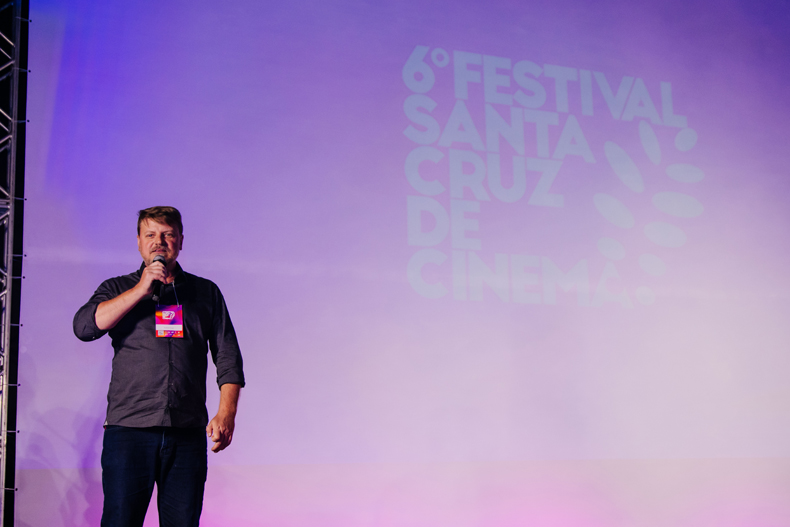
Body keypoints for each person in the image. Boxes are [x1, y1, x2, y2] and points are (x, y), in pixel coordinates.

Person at [73, 206, 245, 527]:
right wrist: (141, 289)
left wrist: (226, 413)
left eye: (167, 234)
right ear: (139, 242)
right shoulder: (118, 288)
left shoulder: (205, 292)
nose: (159, 242)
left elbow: (228, 357)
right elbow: (85, 327)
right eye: (150, 234)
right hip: (129, 432)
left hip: (186, 435)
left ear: (180, 241)